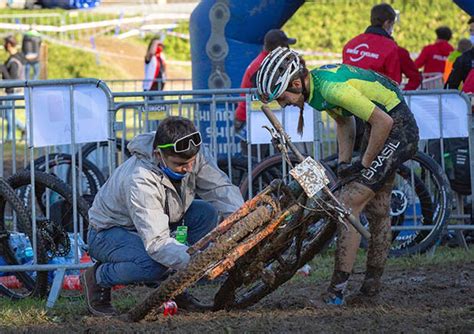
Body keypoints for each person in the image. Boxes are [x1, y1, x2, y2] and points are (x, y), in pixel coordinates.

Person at [255, 47, 419, 305]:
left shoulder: (330, 88)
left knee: (347, 205)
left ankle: (335, 294)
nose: (281, 103)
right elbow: (344, 122)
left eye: (281, 96)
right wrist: (344, 163)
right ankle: (370, 290)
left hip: (396, 128)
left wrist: (363, 163)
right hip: (379, 126)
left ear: (297, 83)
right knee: (378, 210)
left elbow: (384, 122)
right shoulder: (315, 91)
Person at [82, 116, 244, 316]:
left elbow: (221, 189)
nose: (189, 168)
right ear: (159, 155)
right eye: (180, 164)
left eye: (192, 162)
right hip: (109, 233)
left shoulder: (191, 153)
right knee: (155, 265)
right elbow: (157, 243)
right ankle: (97, 278)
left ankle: (174, 287)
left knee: (205, 214)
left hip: (161, 220)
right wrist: (201, 261)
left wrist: (244, 219)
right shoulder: (140, 179)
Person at [234, 29, 296, 128]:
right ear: (277, 48)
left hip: (257, 116)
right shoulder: (263, 65)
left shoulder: (268, 62)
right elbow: (264, 94)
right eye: (285, 46)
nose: (288, 49)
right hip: (251, 119)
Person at [342, 3, 401, 84]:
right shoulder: (390, 46)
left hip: (347, 92)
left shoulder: (352, 43)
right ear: (387, 23)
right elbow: (394, 81)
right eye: (392, 24)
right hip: (374, 94)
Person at [0, 35, 26, 141]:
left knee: (9, 113)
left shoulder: (14, 61)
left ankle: (10, 137)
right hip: (14, 91)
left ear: (9, 45)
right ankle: (23, 128)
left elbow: (12, 79)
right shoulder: (17, 57)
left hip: (13, 91)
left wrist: (2, 69)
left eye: (5, 44)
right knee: (5, 113)